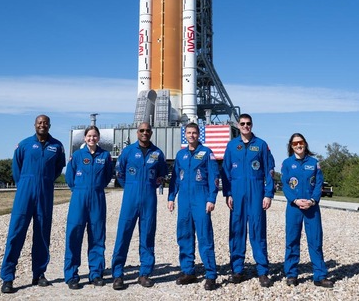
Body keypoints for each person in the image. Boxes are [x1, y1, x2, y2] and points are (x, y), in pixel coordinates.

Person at [0, 115, 66, 294]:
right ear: (35, 125)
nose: (42, 125)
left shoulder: (57, 146)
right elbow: (16, 168)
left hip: (45, 193)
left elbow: (58, 168)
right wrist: (24, 184)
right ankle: (7, 277)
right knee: (15, 234)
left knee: (43, 234)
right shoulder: (24, 145)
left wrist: (45, 180)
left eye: (45, 122)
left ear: (49, 125)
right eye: (39, 122)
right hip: (25, 192)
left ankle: (39, 273)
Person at [110, 122, 168, 290]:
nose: (144, 133)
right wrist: (130, 187)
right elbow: (119, 173)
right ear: (137, 132)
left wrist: (151, 186)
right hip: (130, 198)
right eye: (142, 130)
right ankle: (118, 274)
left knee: (147, 235)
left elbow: (162, 174)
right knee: (123, 235)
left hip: (149, 199)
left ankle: (144, 273)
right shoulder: (128, 151)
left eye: (147, 130)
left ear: (151, 133)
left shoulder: (157, 153)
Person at [221, 113, 276, 287]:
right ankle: (237, 270)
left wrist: (268, 194)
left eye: (248, 123)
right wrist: (228, 193)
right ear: (238, 125)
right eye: (243, 123)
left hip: (256, 192)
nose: (246, 126)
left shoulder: (261, 145)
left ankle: (262, 271)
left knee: (258, 230)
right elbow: (226, 171)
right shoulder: (232, 145)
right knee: (236, 231)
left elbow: (269, 171)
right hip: (237, 193)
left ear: (252, 125)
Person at [167, 123, 220, 291]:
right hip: (184, 200)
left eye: (194, 133)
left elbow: (214, 177)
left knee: (205, 236)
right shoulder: (181, 154)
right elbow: (175, 178)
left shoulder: (206, 153)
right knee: (184, 235)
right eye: (189, 133)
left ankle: (211, 274)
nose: (191, 135)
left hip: (200, 198)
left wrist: (211, 198)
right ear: (185, 135)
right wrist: (171, 197)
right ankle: (188, 271)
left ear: (199, 134)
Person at [63, 126, 115, 289]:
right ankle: (71, 275)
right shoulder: (77, 156)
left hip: (97, 198)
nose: (92, 139)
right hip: (79, 197)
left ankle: (96, 273)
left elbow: (107, 175)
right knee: (74, 235)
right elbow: (69, 177)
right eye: (89, 136)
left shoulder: (105, 156)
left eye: (95, 136)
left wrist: (96, 187)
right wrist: (79, 189)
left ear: (98, 138)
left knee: (97, 236)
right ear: (85, 138)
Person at [280, 133, 334, 288]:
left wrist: (312, 201)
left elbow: (318, 184)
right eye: (295, 143)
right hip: (294, 207)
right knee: (292, 241)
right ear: (291, 146)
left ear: (305, 144)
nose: (298, 145)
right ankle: (291, 274)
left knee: (315, 241)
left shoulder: (314, 163)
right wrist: (295, 200)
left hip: (312, 208)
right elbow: (285, 185)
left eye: (301, 142)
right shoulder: (287, 163)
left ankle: (320, 276)